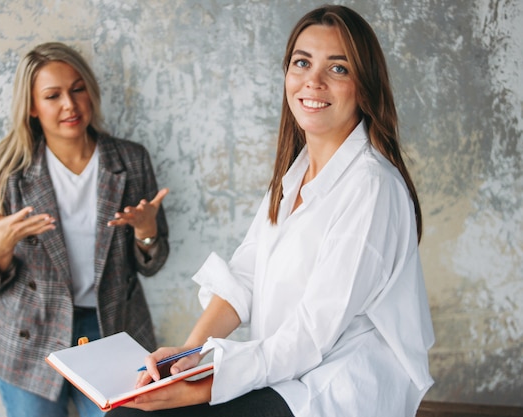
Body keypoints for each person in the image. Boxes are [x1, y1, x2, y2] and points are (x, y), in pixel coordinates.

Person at [107, 5, 434, 417]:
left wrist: (202, 386)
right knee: (128, 410)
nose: (312, 81)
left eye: (338, 69)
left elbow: (313, 334)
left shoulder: (372, 186)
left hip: (335, 388)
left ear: (364, 86)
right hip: (286, 373)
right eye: (302, 62)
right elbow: (245, 277)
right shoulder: (292, 178)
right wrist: (187, 357)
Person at [0, 42, 170, 417]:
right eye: (53, 95)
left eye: (78, 89)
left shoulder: (130, 160)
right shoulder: (12, 171)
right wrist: (0, 248)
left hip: (113, 328)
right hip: (31, 339)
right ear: (32, 107)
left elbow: (152, 264)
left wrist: (147, 233)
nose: (70, 104)